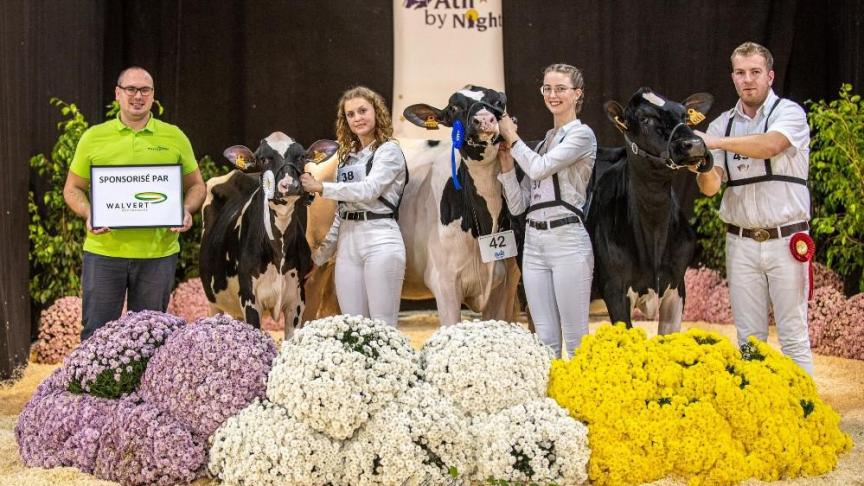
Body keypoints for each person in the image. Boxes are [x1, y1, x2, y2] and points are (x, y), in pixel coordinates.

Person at [695, 42, 814, 374]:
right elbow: (711, 188)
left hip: (787, 240)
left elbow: (770, 145)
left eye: (755, 72)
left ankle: (805, 416)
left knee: (792, 334)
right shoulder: (721, 124)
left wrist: (712, 144)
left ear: (770, 76)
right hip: (741, 243)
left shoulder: (788, 113)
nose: (748, 80)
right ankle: (759, 413)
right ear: (733, 77)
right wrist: (699, 161)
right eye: (740, 73)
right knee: (749, 339)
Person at [63, 66, 205, 340]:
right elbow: (72, 189)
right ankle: (93, 385)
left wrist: (186, 210)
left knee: (151, 338)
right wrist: (89, 212)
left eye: (145, 90)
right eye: (131, 89)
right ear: (118, 93)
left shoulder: (174, 136)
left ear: (153, 96)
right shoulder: (94, 137)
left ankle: (144, 386)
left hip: (158, 255)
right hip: (103, 253)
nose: (137, 96)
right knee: (96, 336)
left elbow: (197, 185)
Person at [497, 63, 597, 358]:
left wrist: (513, 138)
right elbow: (519, 204)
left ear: (577, 94)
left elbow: (539, 169)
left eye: (561, 89)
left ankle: (579, 400)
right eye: (547, 88)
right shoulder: (542, 143)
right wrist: (505, 165)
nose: (553, 95)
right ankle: (550, 402)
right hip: (534, 240)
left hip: (567, 237)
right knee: (544, 339)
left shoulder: (582, 135)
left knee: (576, 338)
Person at [300, 86, 408, 327]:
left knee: (383, 326)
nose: (357, 118)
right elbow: (342, 212)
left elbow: (369, 191)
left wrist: (321, 187)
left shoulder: (389, 151)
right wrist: (318, 260)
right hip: (348, 242)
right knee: (353, 326)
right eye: (350, 114)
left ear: (376, 112)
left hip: (380, 236)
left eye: (362, 111)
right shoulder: (348, 158)